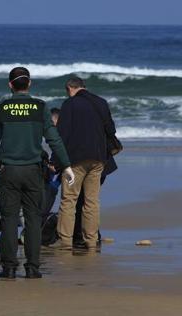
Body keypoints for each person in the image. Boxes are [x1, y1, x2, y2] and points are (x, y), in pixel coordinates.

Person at [0, 67, 75, 279]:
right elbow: (53, 139)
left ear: (10, 85)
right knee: (33, 219)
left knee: (9, 219)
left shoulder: (1, 107)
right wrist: (66, 165)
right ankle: (32, 268)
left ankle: (9, 268)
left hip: (8, 171)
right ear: (29, 84)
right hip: (33, 171)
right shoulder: (40, 107)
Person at [54, 76, 117, 250]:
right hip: (98, 159)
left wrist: (55, 160)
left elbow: (62, 134)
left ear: (69, 88)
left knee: (69, 200)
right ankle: (91, 240)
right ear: (84, 87)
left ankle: (65, 241)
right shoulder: (101, 102)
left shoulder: (70, 104)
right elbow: (111, 130)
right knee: (92, 201)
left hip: (75, 161)